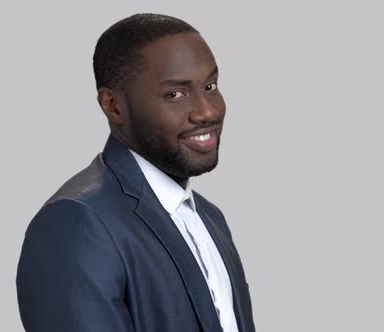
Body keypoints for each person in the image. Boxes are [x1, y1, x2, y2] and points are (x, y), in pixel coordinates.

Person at [16, 13, 255, 332]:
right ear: (113, 105)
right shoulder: (75, 224)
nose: (208, 111)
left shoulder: (211, 219)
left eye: (210, 85)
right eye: (175, 94)